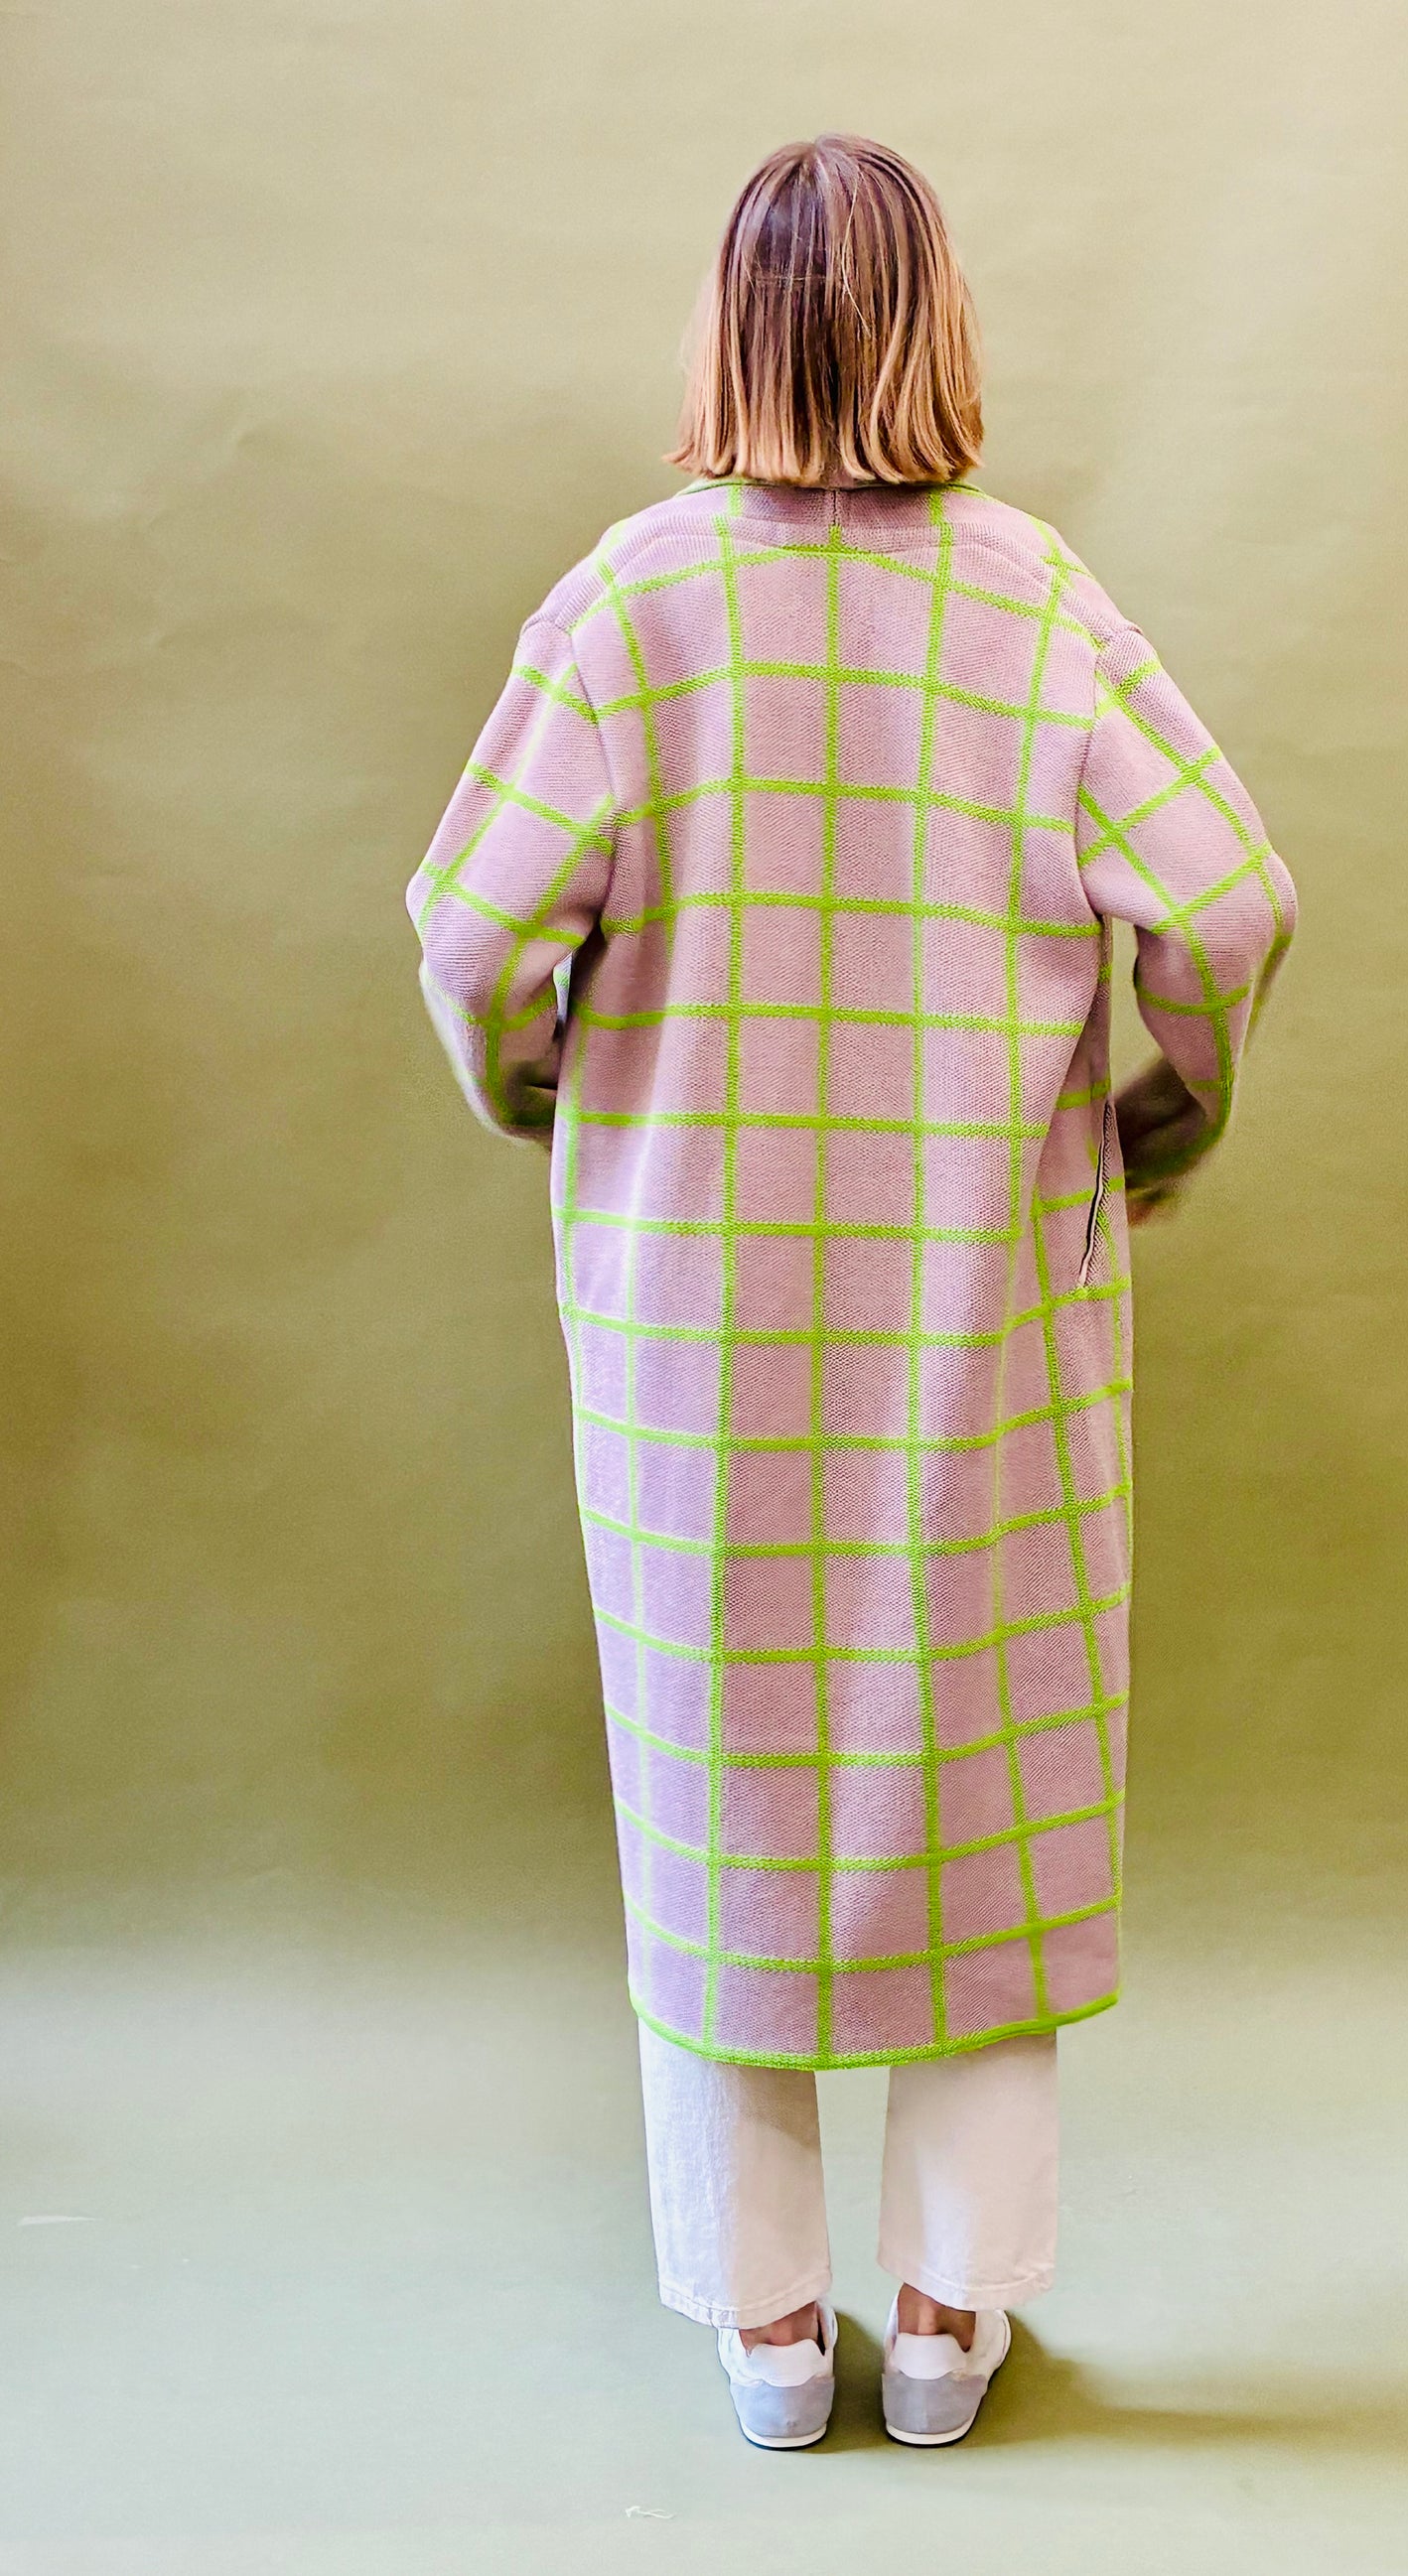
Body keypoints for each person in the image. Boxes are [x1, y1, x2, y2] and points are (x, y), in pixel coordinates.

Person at [406, 133, 1295, 2450]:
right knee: (975, 1780)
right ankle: (944, 2314)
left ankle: (770, 2328)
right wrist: (1151, 1122)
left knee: (720, 1790)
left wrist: (548, 1100)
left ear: (723, 328)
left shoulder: (626, 608)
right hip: (984, 1308)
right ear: (937, 324)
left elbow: (473, 936)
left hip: (691, 1325)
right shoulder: (1034, 602)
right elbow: (1225, 904)